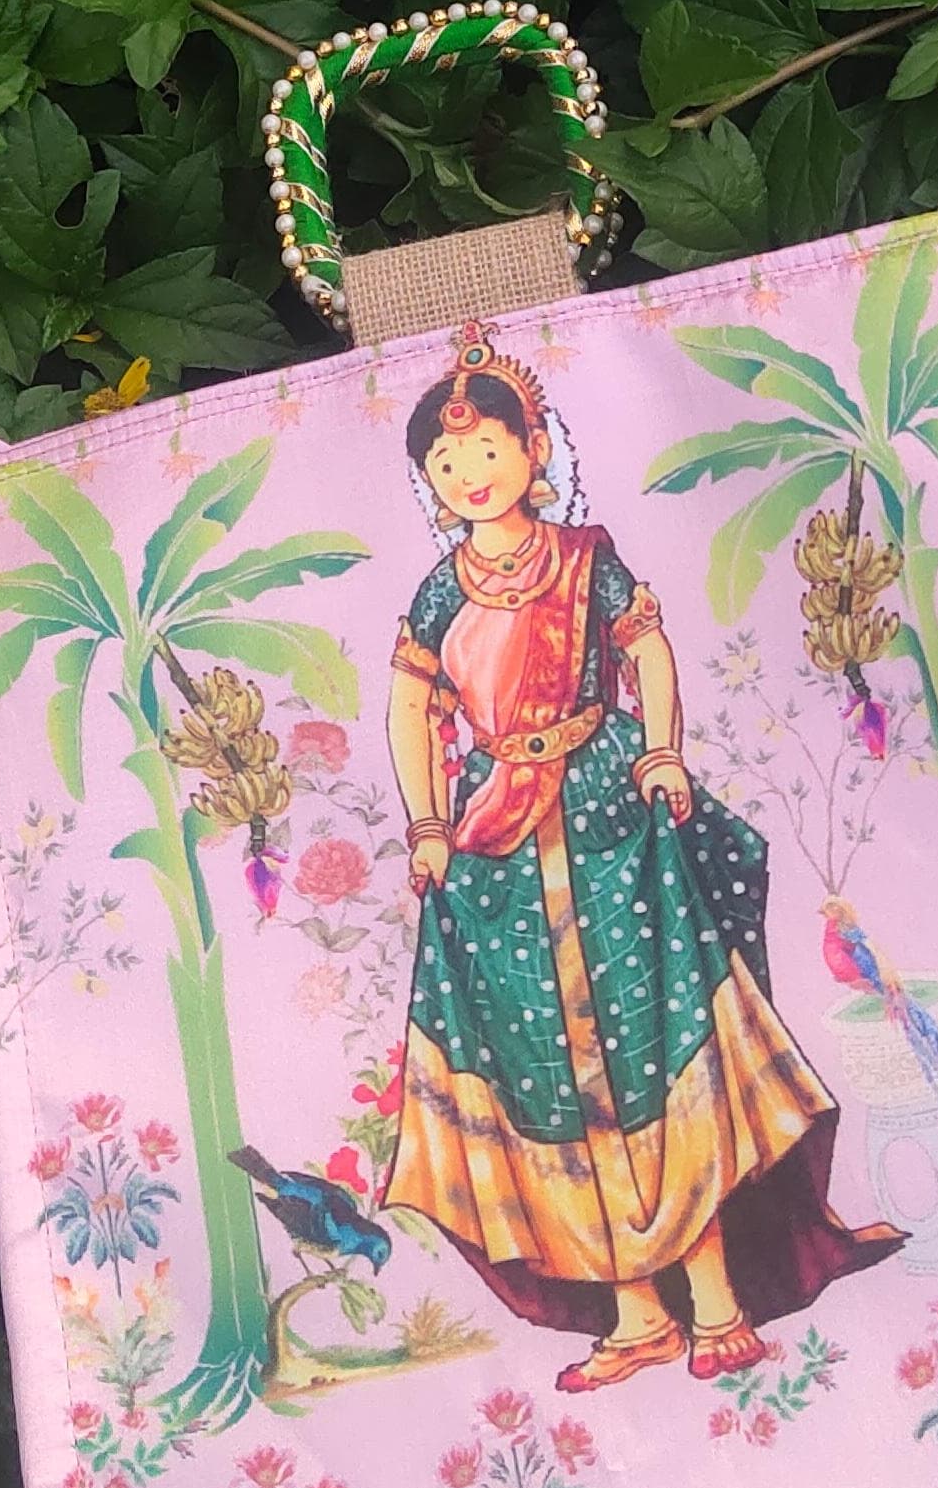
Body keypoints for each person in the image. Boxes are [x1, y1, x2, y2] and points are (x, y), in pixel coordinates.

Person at [382, 330, 900, 1391]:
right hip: (496, 851)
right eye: (445, 460)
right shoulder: (440, 593)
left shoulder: (585, 560)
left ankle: (715, 1303)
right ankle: (635, 1318)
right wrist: (430, 823)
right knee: (551, 1079)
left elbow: (645, 647)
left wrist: (661, 752)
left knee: (653, 1048)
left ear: (534, 450)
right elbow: (408, 706)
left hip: (611, 816)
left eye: (487, 449)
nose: (469, 472)